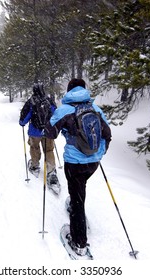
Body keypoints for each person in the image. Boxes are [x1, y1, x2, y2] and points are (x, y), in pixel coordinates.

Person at [44, 78, 111, 256]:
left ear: (69, 90)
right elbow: (107, 134)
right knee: (81, 188)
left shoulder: (65, 109)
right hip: (94, 163)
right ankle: (76, 205)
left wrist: (48, 120)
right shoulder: (95, 109)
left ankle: (79, 243)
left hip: (74, 162)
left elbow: (50, 133)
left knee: (77, 198)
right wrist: (99, 153)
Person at [19, 82, 59, 189]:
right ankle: (51, 171)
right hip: (48, 131)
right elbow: (56, 113)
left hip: (35, 132)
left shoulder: (30, 102)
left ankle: (35, 166)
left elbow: (23, 120)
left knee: (34, 147)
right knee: (49, 150)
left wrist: (22, 122)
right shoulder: (49, 100)